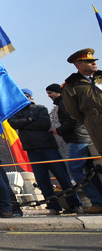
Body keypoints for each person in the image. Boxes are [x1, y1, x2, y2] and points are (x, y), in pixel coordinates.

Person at [9, 89, 83, 214]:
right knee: (42, 181)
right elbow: (13, 124)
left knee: (63, 177)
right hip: (32, 150)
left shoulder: (40, 108)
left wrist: (24, 124)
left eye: (26, 96)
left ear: (30, 97)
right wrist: (31, 120)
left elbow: (44, 124)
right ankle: (53, 206)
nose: (24, 98)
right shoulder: (15, 112)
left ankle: (74, 204)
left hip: (48, 147)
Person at [49, 83, 102, 213]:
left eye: (50, 93)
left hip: (77, 140)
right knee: (90, 173)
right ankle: (98, 201)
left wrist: (59, 130)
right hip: (85, 138)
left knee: (74, 170)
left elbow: (73, 120)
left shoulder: (64, 102)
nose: (49, 96)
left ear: (58, 92)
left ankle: (97, 202)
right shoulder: (70, 101)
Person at [62, 48, 102, 160]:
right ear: (78, 65)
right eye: (89, 61)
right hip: (96, 124)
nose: (94, 63)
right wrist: (92, 120)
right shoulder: (71, 86)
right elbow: (73, 111)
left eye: (94, 60)